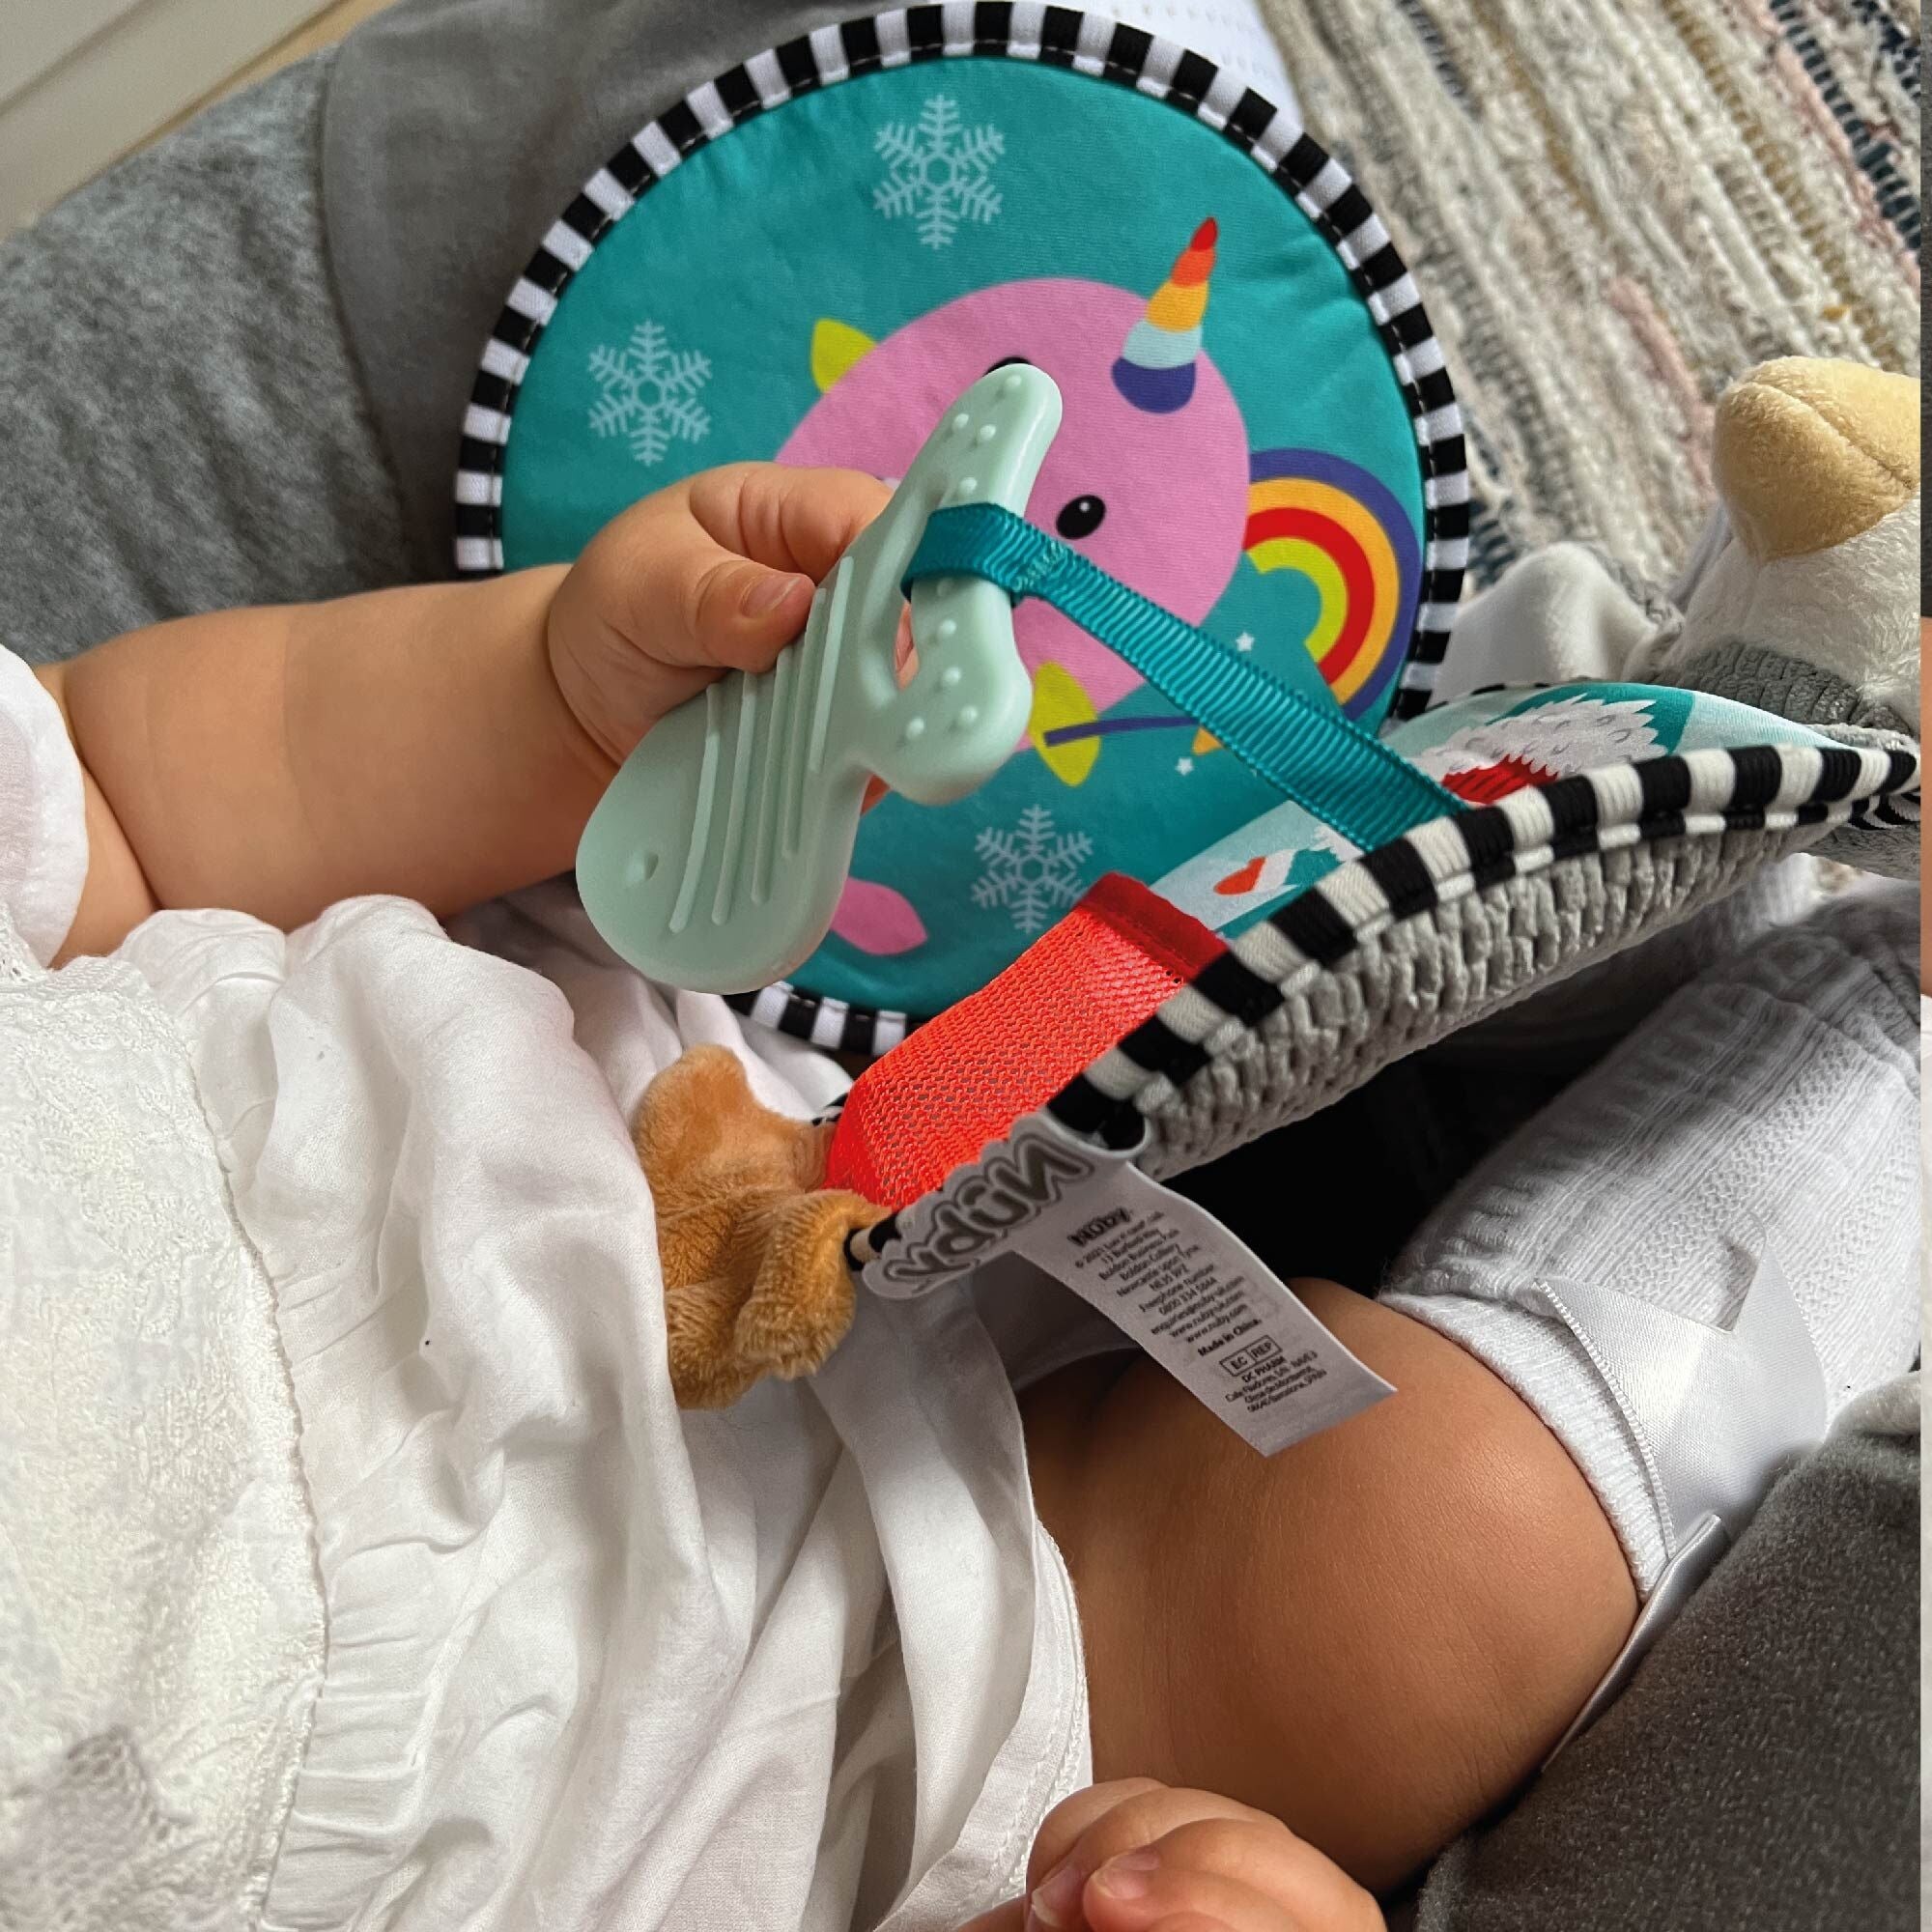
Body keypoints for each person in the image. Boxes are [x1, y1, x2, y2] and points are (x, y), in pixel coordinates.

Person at [7, 462, 1915, 1931]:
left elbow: (125, 790)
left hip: (669, 1123)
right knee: (1442, 1575)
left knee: (1176, 908)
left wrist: (550, 690)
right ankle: (1880, 1015)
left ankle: (1683, 734)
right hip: (844, 1698)